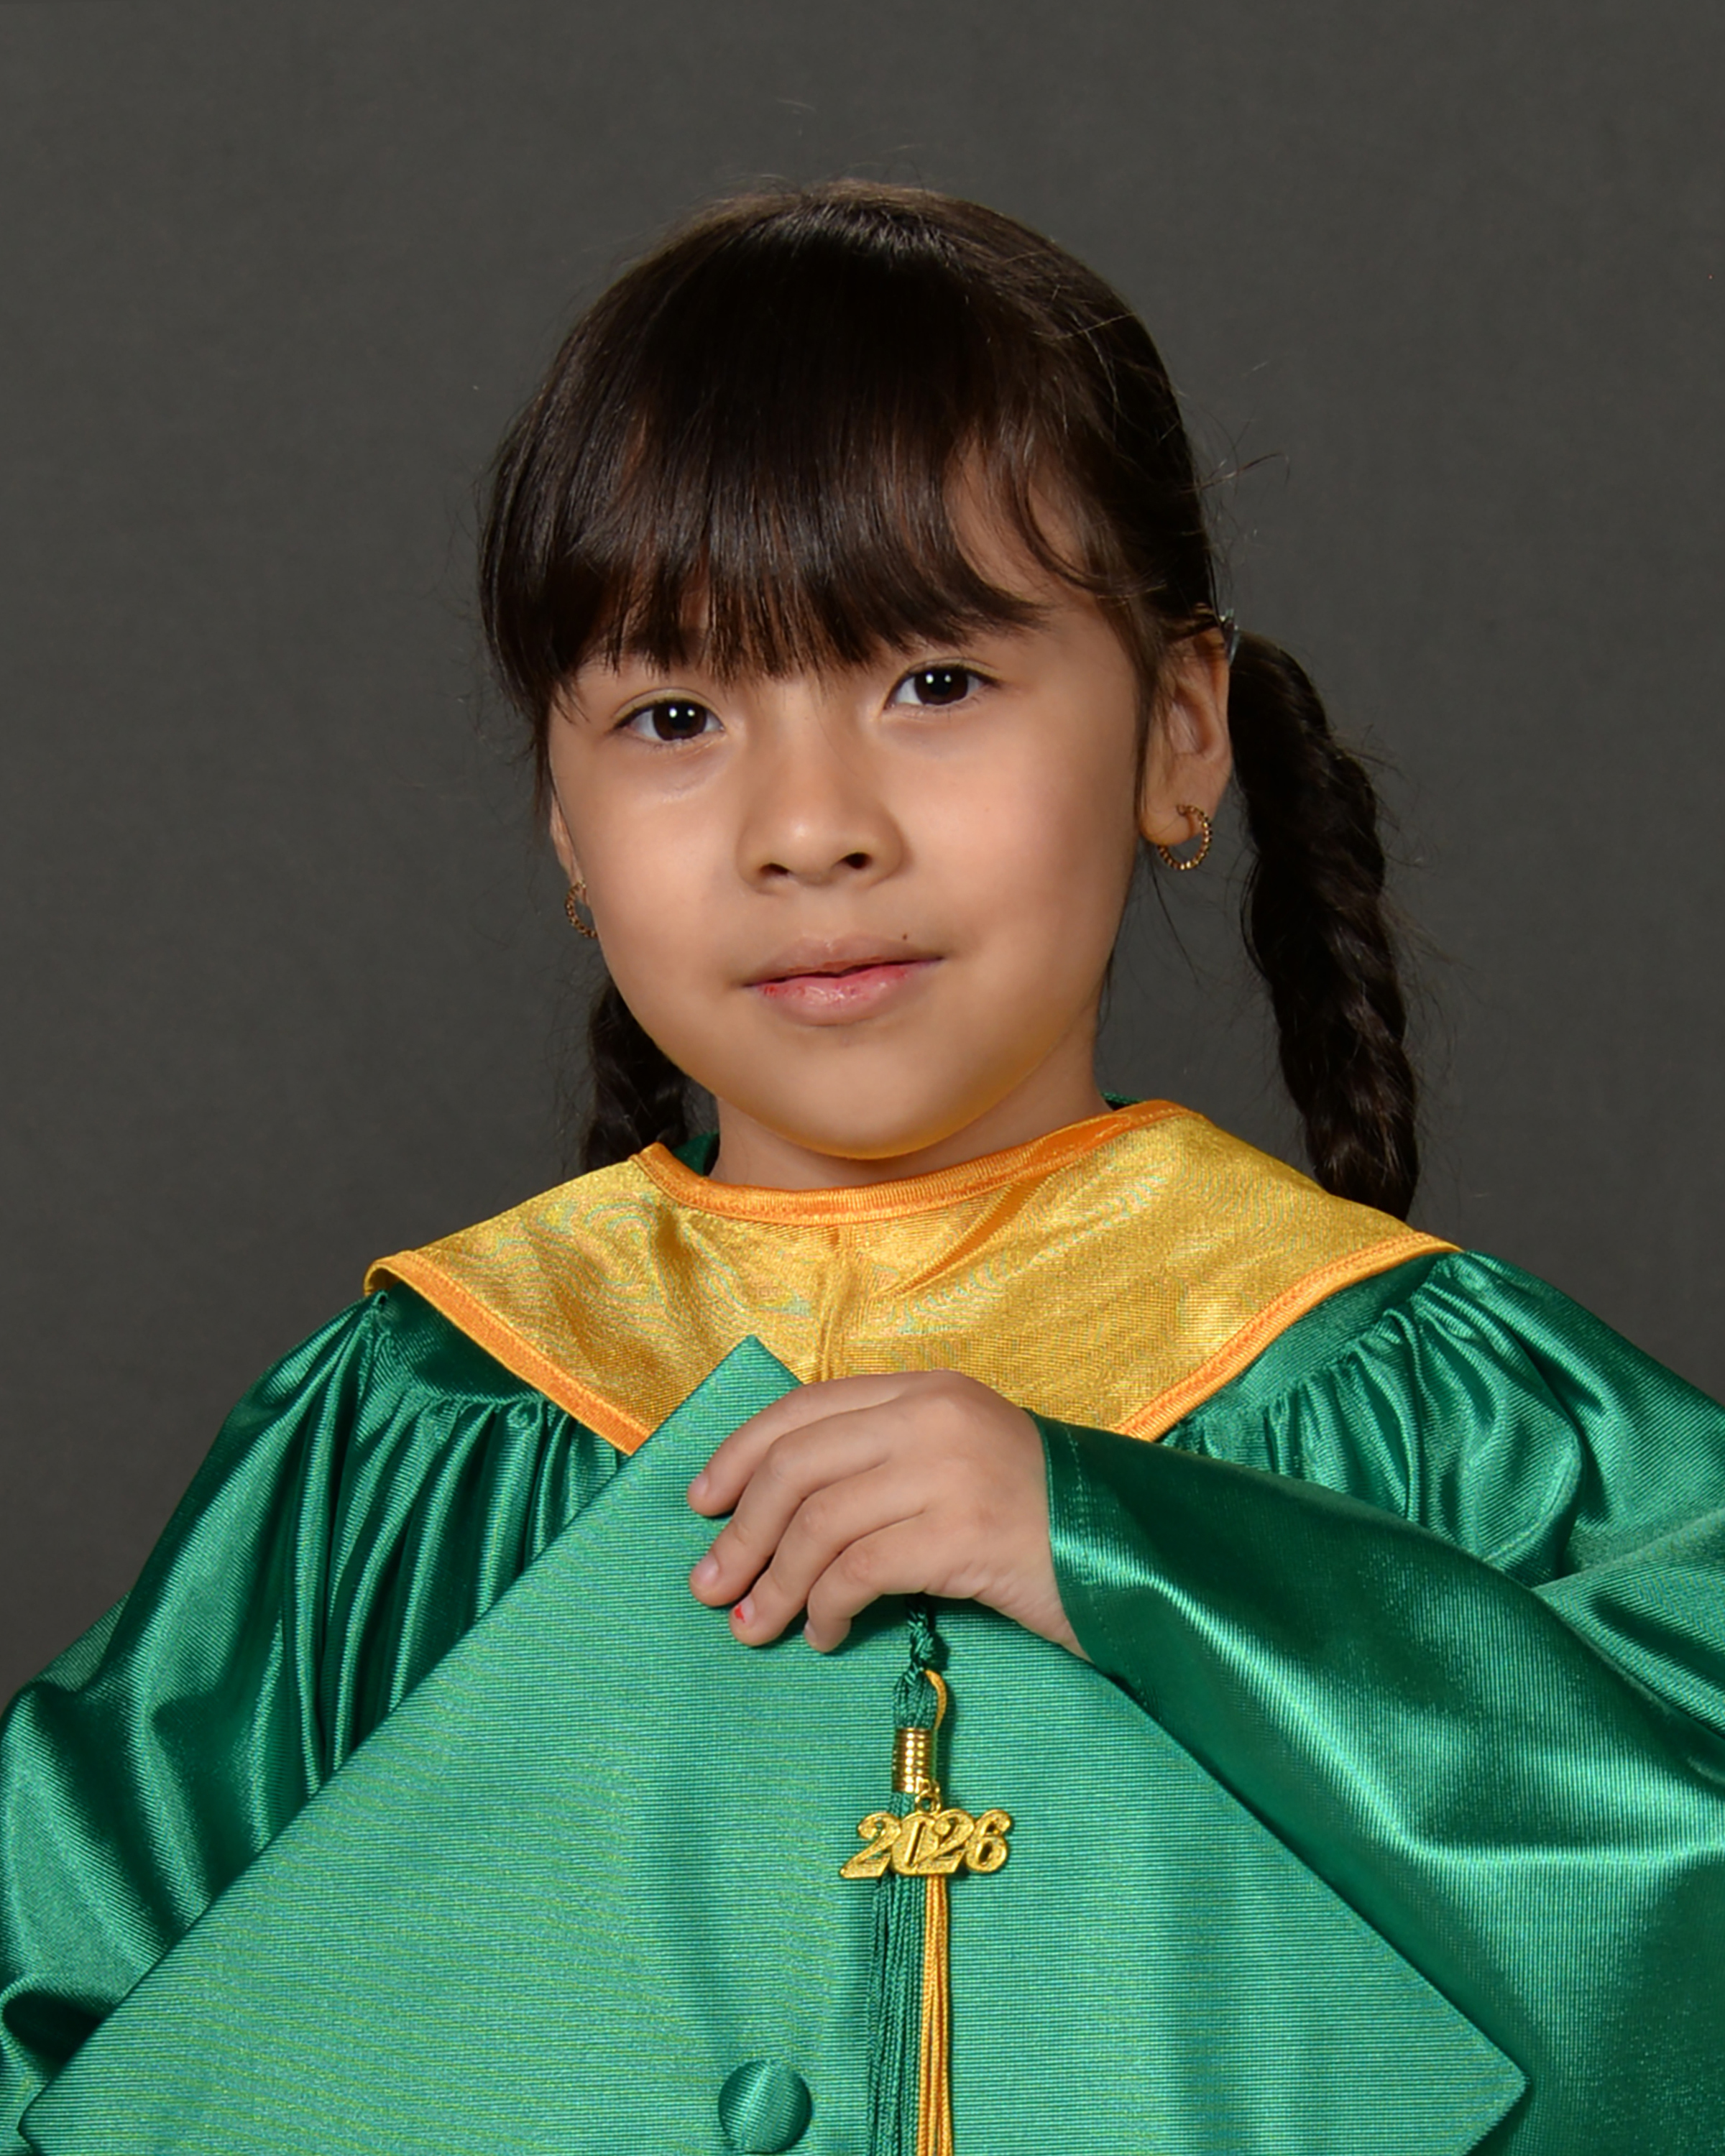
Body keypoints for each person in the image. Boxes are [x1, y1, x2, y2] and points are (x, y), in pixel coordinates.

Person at [1, 182, 1721, 2156]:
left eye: (935, 683)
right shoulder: (413, 1438)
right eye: (674, 715)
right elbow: (64, 2028)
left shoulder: (1430, 1409)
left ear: (1181, 731)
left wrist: (1129, 1557)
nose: (810, 825)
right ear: (563, 826)